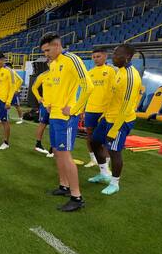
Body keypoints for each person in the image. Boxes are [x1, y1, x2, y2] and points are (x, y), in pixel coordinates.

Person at [40, 32, 93, 212]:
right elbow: (56, 88)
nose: (46, 54)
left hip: (66, 117)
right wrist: (49, 104)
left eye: (47, 50)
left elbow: (88, 85)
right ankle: (64, 185)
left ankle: (76, 197)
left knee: (65, 154)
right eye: (44, 51)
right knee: (57, 151)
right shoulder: (54, 64)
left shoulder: (72, 59)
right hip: (55, 114)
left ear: (57, 45)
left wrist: (76, 109)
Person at [88, 44, 142, 195]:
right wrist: (105, 115)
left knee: (114, 151)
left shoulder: (130, 76)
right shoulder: (120, 71)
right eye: (114, 54)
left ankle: (115, 183)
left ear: (127, 57)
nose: (113, 57)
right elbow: (114, 98)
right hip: (108, 117)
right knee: (94, 142)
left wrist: (114, 128)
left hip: (121, 120)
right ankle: (104, 173)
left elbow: (126, 107)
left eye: (117, 55)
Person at [84, 48, 116, 168]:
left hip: (105, 110)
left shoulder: (111, 71)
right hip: (90, 109)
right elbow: (86, 91)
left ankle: (106, 161)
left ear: (105, 56)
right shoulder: (90, 72)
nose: (96, 59)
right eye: (94, 57)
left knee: (104, 136)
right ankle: (93, 159)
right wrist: (83, 107)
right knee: (89, 135)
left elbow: (114, 91)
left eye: (98, 56)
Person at [31, 59, 54, 157]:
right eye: (50, 62)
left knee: (54, 127)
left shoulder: (62, 74)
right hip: (45, 105)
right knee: (42, 124)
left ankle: (53, 148)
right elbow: (34, 87)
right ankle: (38, 144)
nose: (52, 64)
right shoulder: (43, 75)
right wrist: (39, 98)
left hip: (57, 106)